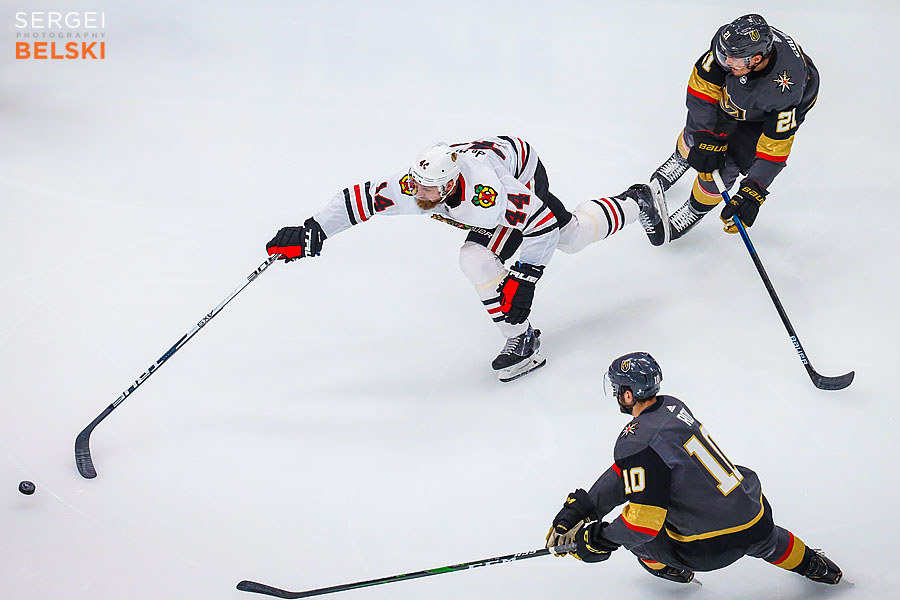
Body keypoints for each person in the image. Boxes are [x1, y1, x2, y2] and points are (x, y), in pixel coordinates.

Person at [266, 137, 667, 382]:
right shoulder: (418, 184)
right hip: (498, 157)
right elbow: (362, 198)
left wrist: (525, 279)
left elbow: (539, 225)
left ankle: (636, 201)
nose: (419, 197)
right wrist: (312, 229)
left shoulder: (488, 195)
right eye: (418, 186)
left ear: (453, 183)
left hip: (521, 171)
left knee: (567, 238)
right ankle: (520, 335)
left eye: (430, 192)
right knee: (482, 258)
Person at [545, 352, 842, 586]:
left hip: (706, 550)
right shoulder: (673, 406)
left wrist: (598, 539)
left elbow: (643, 524)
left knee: (639, 541)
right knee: (767, 538)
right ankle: (817, 567)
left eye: (617, 388)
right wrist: (585, 507)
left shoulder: (635, 441)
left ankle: (673, 570)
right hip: (754, 515)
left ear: (627, 395)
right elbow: (630, 470)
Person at [645, 14, 819, 245]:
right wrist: (703, 136)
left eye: (733, 59)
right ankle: (681, 158)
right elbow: (701, 90)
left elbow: (774, 149)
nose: (726, 61)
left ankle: (694, 209)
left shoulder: (786, 92)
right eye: (724, 55)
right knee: (697, 135)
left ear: (756, 59)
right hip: (740, 93)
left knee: (723, 170)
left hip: (765, 114)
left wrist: (753, 191)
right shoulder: (729, 46)